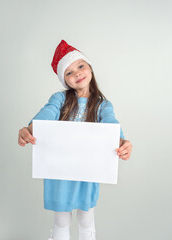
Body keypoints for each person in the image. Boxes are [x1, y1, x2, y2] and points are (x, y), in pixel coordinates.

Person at [18, 40, 132, 240]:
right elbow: (47, 114)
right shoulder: (60, 99)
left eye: (80, 66)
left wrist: (121, 141)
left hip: (87, 171)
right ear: (64, 80)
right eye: (69, 72)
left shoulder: (101, 105)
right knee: (61, 221)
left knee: (86, 219)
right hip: (59, 171)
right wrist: (30, 128)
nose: (77, 73)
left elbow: (111, 122)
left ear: (90, 68)